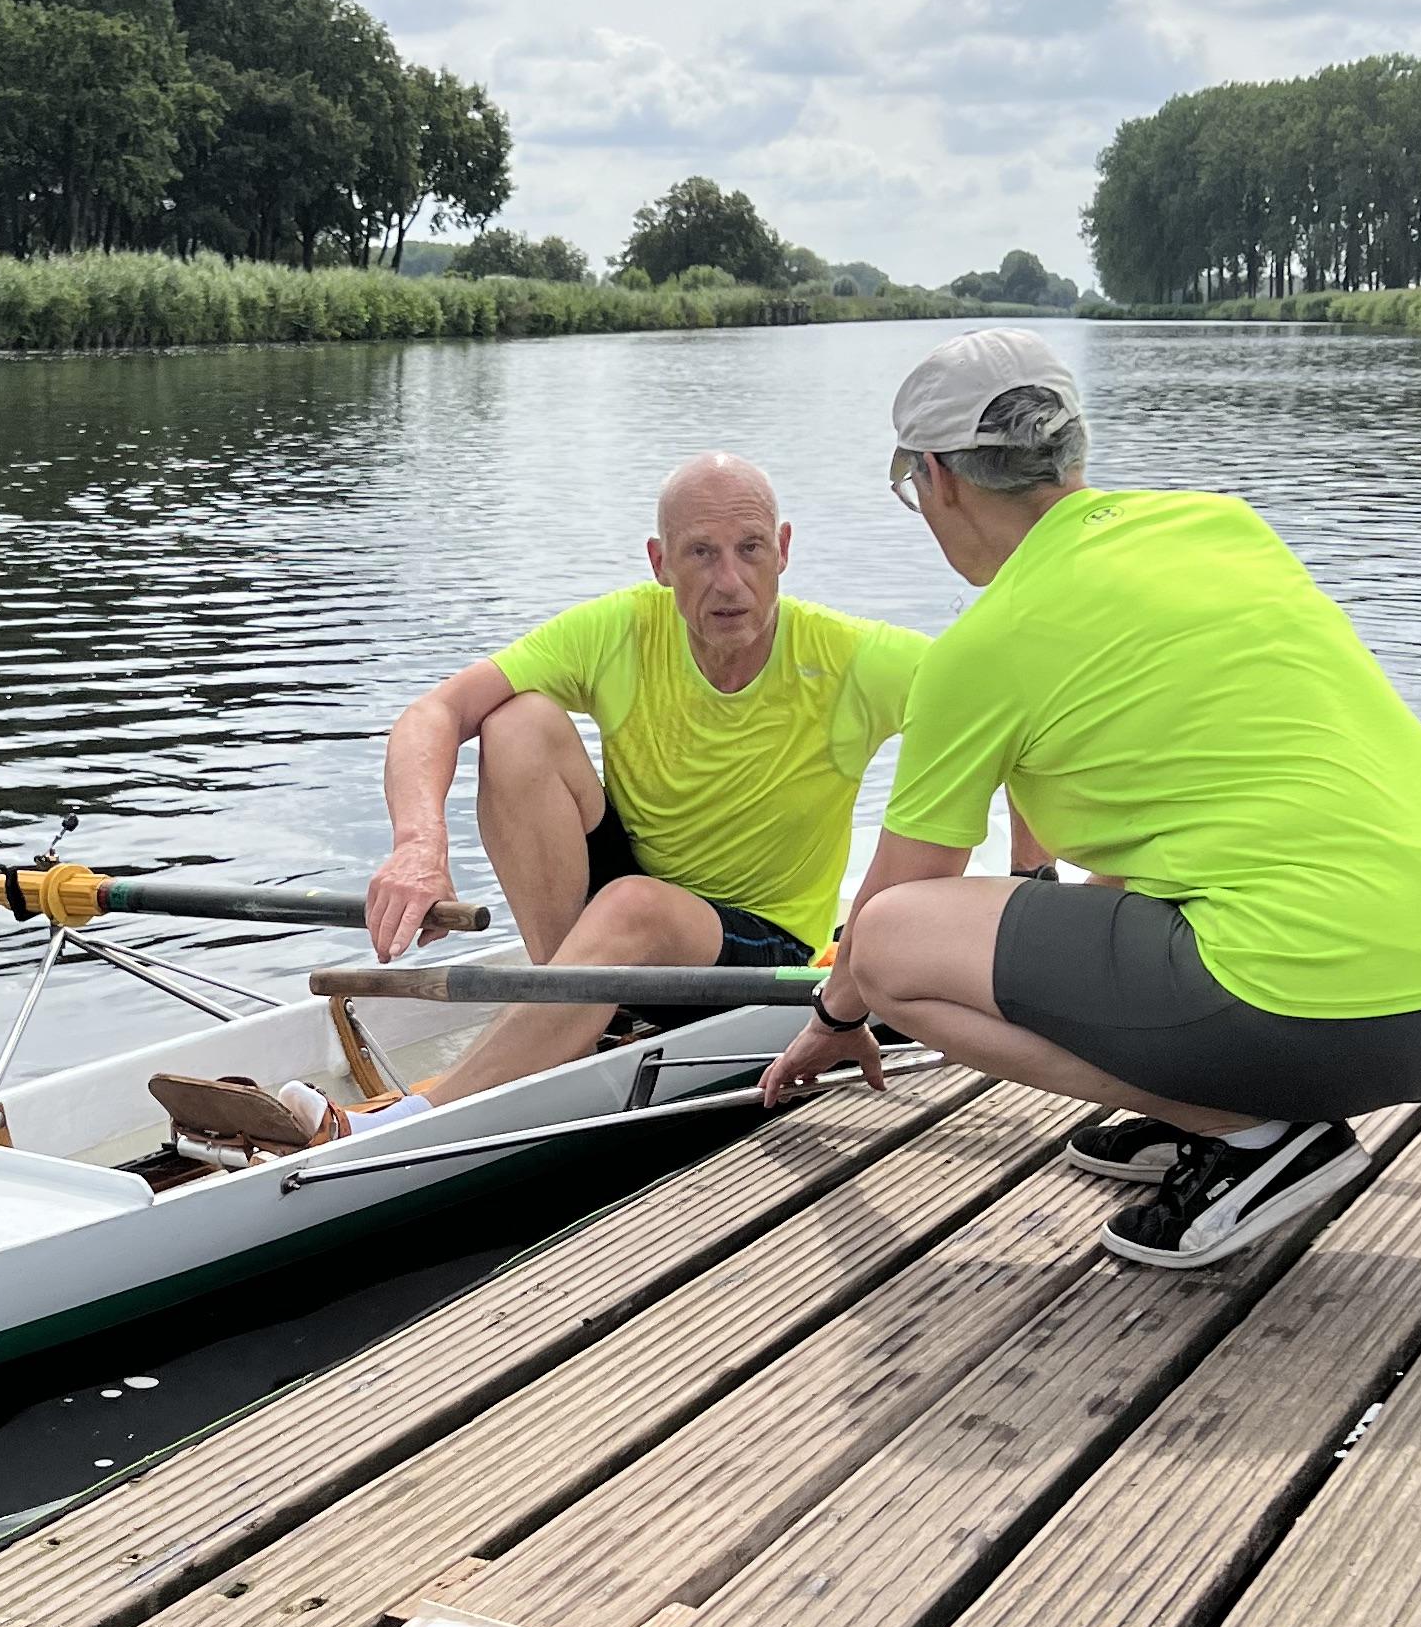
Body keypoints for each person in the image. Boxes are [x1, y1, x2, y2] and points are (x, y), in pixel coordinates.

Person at [758, 328, 1421, 1270]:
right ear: (1071, 451)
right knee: (1144, 872)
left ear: (937, 476)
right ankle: (1207, 1102)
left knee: (891, 945)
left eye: (911, 487)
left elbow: (896, 896)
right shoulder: (1222, 529)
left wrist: (835, 1020)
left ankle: (1250, 1131)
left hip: (1342, 1010)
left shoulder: (987, 645)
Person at [149, 451, 925, 1156]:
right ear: (660, 563)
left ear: (783, 550)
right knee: (515, 723)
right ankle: (576, 1014)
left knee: (635, 907)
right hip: (633, 919)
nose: (730, 581)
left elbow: (991, 700)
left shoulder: (852, 658)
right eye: (701, 553)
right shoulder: (620, 631)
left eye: (750, 549)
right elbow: (434, 712)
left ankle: (398, 1124)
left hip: (770, 961)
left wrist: (987, 879)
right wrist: (419, 847)